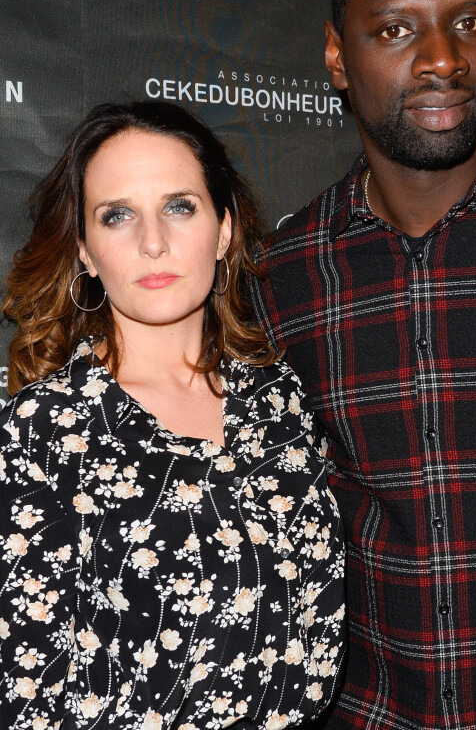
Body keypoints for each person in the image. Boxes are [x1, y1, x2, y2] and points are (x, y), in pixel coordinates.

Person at [249, 0, 476, 730]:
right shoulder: (280, 276)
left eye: (468, 22)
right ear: (337, 56)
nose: (443, 58)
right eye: (397, 29)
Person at [0, 101, 346, 729]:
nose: (152, 241)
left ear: (224, 231)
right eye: (118, 215)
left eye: (179, 206)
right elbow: (23, 689)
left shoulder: (280, 403)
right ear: (84, 250)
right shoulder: (40, 431)